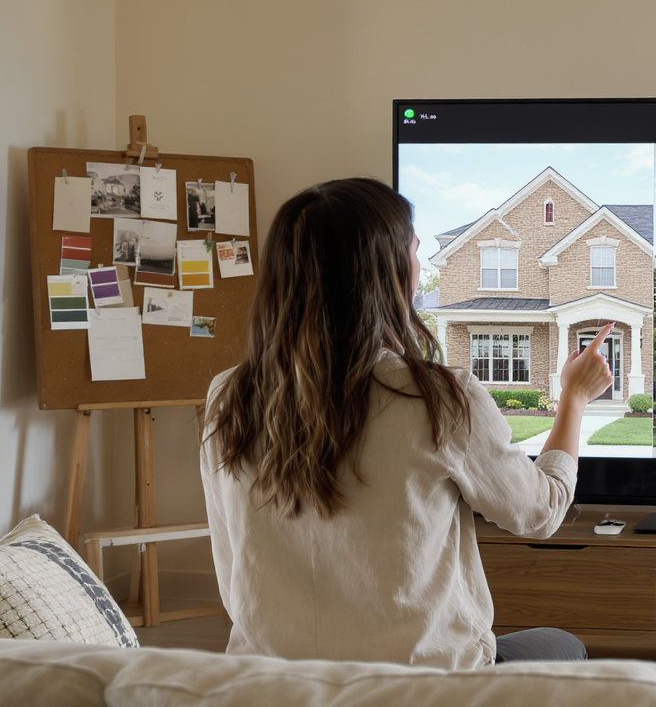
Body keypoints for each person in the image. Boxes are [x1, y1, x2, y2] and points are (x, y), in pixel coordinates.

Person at [200, 178, 612, 669]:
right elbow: (540, 513)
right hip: (422, 686)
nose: (421, 267)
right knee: (564, 645)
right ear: (391, 271)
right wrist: (575, 397)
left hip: (272, 682)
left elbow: (231, 563)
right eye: (415, 251)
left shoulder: (228, 396)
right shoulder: (438, 397)